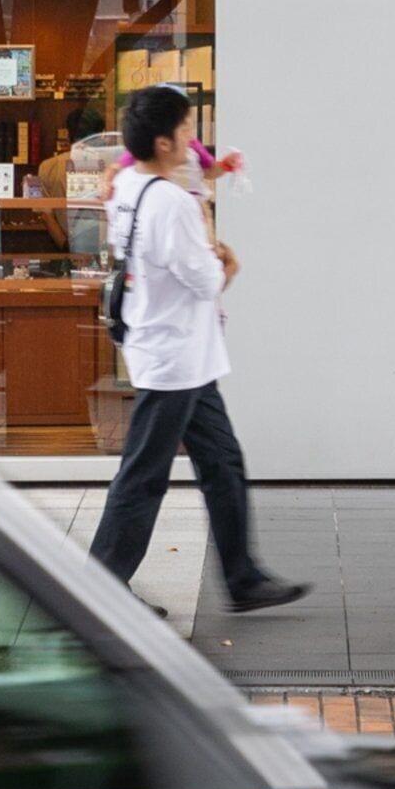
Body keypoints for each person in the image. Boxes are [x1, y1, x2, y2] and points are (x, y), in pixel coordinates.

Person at [87, 82, 308, 613]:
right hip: (173, 357)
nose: (193, 139)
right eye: (185, 129)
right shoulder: (170, 203)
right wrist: (228, 264)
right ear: (163, 142)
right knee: (143, 476)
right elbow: (204, 280)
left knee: (223, 462)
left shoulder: (128, 188)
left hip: (179, 353)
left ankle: (243, 578)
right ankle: (99, 592)